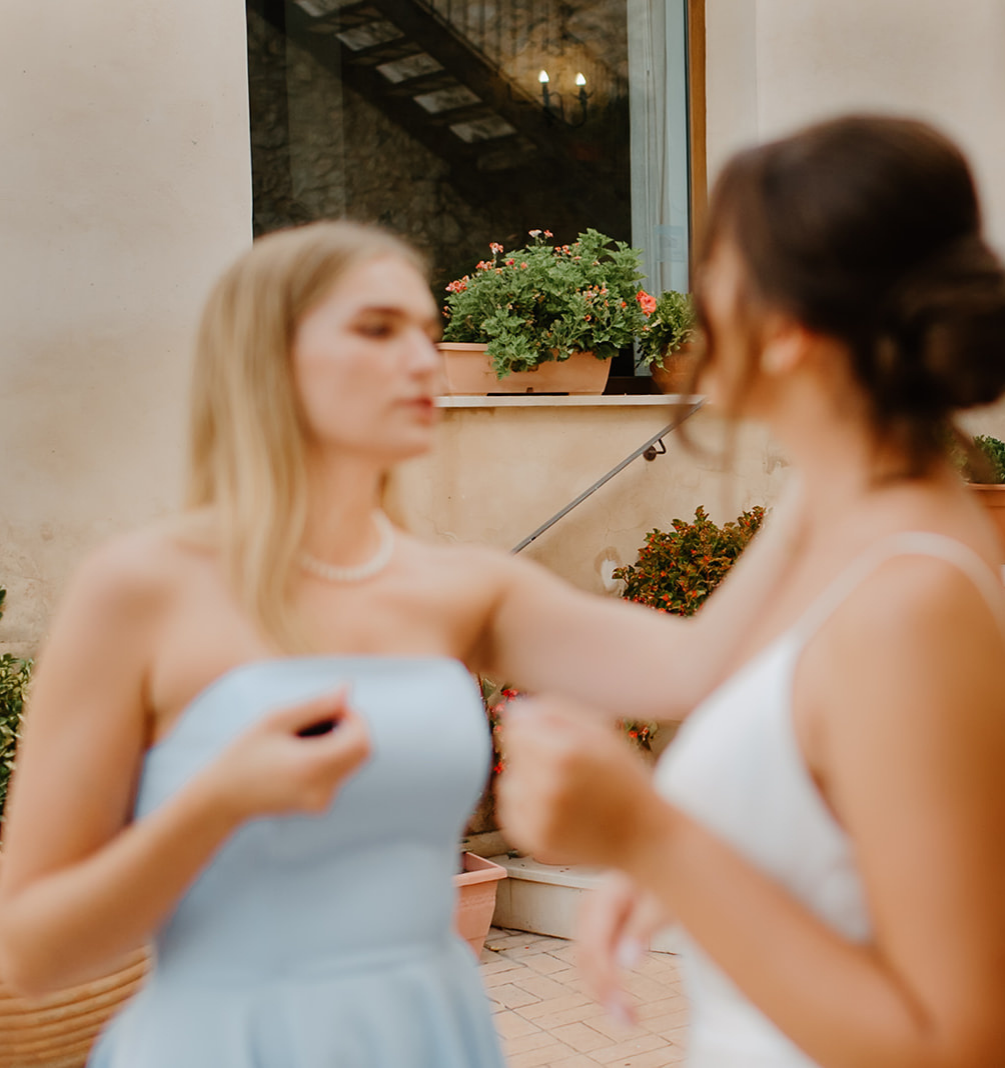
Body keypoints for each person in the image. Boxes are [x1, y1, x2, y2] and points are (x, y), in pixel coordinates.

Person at [0, 221, 800, 1067]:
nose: (423, 358)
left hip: (429, 1035)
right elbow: (32, 950)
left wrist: (838, 452)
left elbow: (699, 666)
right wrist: (214, 806)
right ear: (266, 357)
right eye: (377, 330)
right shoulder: (139, 589)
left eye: (426, 331)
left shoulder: (464, 588)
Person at [494, 117, 1005, 1068]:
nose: (697, 306)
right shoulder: (828, 507)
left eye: (719, 271)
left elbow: (966, 1043)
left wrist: (648, 836)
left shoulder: (913, 602)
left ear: (789, 329)